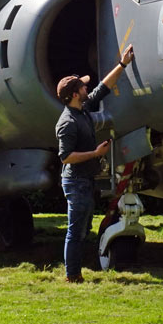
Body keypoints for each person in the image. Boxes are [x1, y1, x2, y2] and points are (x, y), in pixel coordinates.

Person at [55, 44, 135, 283]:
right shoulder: (67, 122)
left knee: (82, 228)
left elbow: (103, 88)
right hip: (75, 181)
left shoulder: (82, 109)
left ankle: (76, 271)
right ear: (73, 94)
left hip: (85, 180)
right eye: (82, 86)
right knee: (75, 231)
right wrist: (95, 153)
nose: (86, 87)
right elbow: (66, 157)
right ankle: (72, 276)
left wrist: (123, 64)